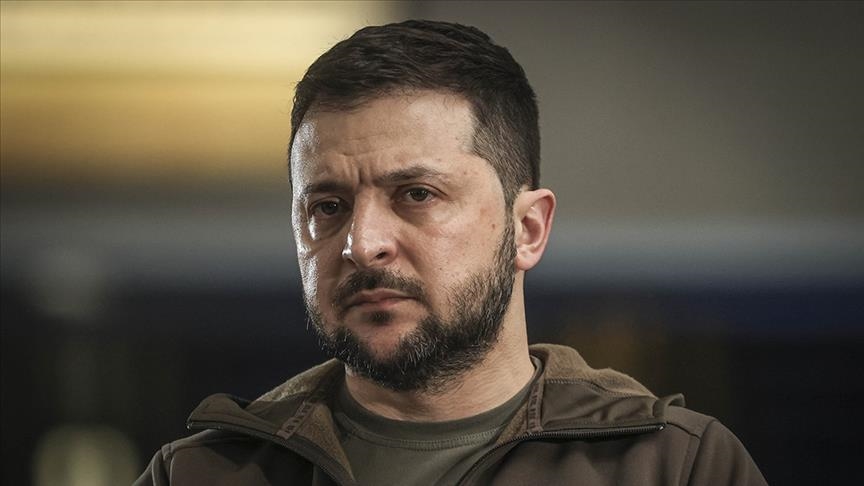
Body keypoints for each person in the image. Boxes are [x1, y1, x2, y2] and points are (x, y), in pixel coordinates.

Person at [135, 20, 767, 485]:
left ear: (528, 229)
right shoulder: (198, 475)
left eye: (417, 194)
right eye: (327, 206)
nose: (362, 244)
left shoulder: (674, 467)